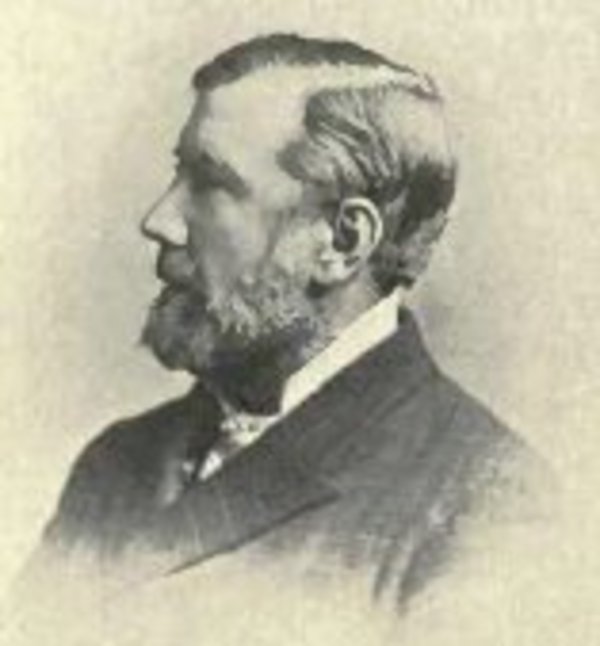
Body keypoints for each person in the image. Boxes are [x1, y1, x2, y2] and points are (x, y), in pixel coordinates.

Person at [19, 34, 549, 620]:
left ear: (342, 241)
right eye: (179, 173)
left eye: (211, 184)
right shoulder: (117, 464)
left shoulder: (491, 516)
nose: (160, 220)